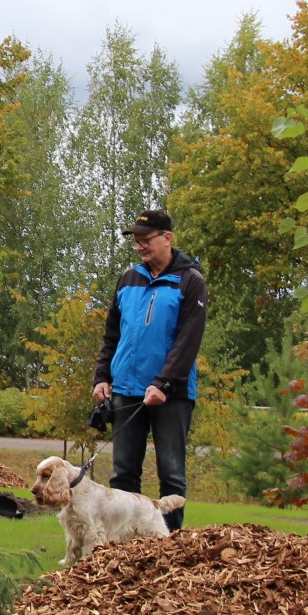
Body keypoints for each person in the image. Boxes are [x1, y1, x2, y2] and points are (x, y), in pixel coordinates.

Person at [90, 208, 207, 533]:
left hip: (171, 394)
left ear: (167, 238)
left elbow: (188, 339)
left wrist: (163, 383)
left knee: (171, 472)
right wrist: (102, 377)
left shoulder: (190, 281)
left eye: (146, 239)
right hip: (126, 389)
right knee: (123, 473)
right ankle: (124, 543)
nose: (140, 246)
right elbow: (112, 334)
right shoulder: (128, 279)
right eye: (136, 241)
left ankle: (170, 543)